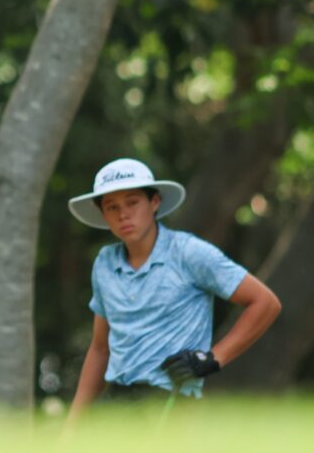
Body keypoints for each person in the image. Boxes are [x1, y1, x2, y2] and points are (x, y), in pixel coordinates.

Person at [65, 158, 281, 422]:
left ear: (154, 202)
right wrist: (72, 424)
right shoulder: (104, 264)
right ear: (104, 215)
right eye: (112, 207)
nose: (123, 214)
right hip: (117, 407)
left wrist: (214, 358)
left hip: (174, 406)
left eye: (132, 202)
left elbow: (265, 302)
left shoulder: (188, 252)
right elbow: (100, 349)